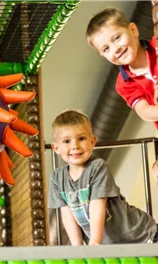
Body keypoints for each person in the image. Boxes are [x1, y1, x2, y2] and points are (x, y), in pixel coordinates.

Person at [48, 110, 158, 245]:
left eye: (81, 139)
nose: (75, 146)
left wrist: (95, 242)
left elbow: (97, 205)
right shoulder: (57, 178)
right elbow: (67, 215)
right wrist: (77, 248)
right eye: (67, 141)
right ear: (56, 148)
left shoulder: (97, 167)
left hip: (140, 235)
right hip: (112, 245)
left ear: (92, 141)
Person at [86, 8, 158, 129]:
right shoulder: (124, 84)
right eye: (106, 49)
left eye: (117, 38)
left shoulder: (156, 45)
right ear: (103, 55)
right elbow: (144, 112)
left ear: (133, 30)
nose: (115, 48)